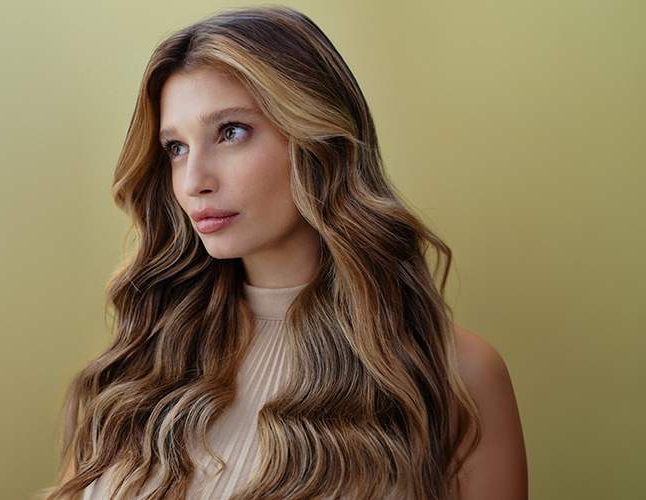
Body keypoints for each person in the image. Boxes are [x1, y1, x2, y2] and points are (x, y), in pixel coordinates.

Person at [47, 6, 527, 500]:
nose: (194, 182)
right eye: (176, 148)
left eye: (231, 131)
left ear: (316, 136)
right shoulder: (139, 363)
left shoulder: (454, 375)